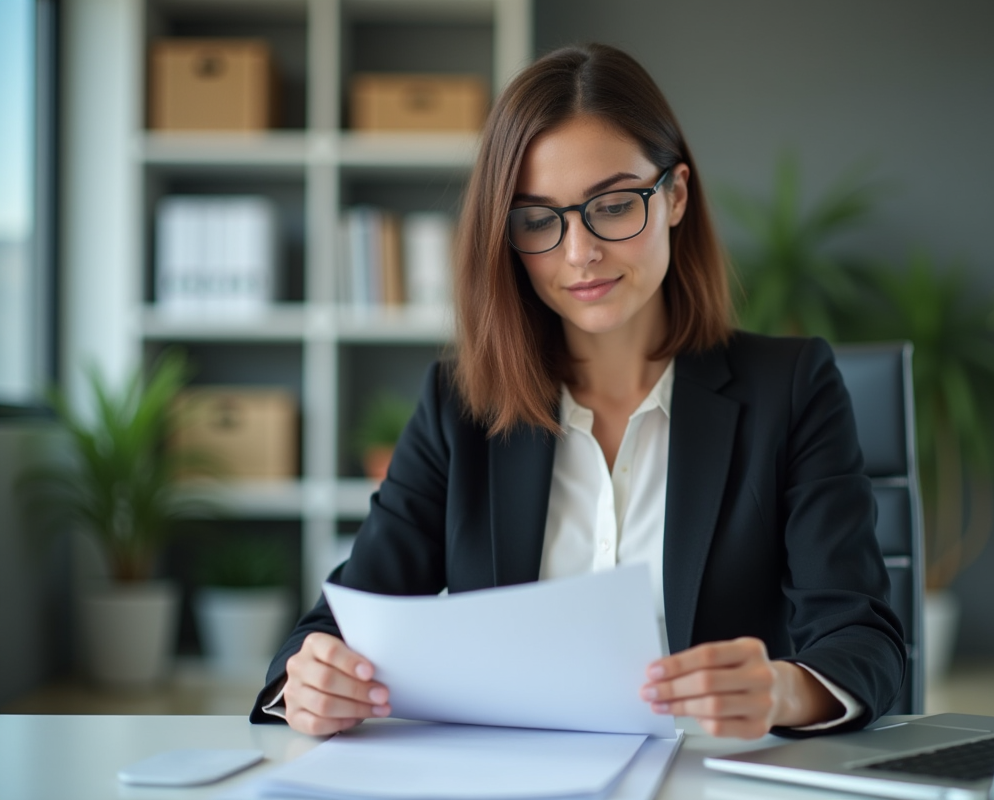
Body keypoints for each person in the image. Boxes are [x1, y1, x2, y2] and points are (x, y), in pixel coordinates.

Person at [250, 43, 905, 740]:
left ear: (675, 195)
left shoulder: (791, 389)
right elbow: (336, 625)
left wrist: (783, 690)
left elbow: (863, 641)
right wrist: (310, 682)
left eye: (614, 205)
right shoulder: (460, 405)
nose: (579, 252)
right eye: (538, 219)